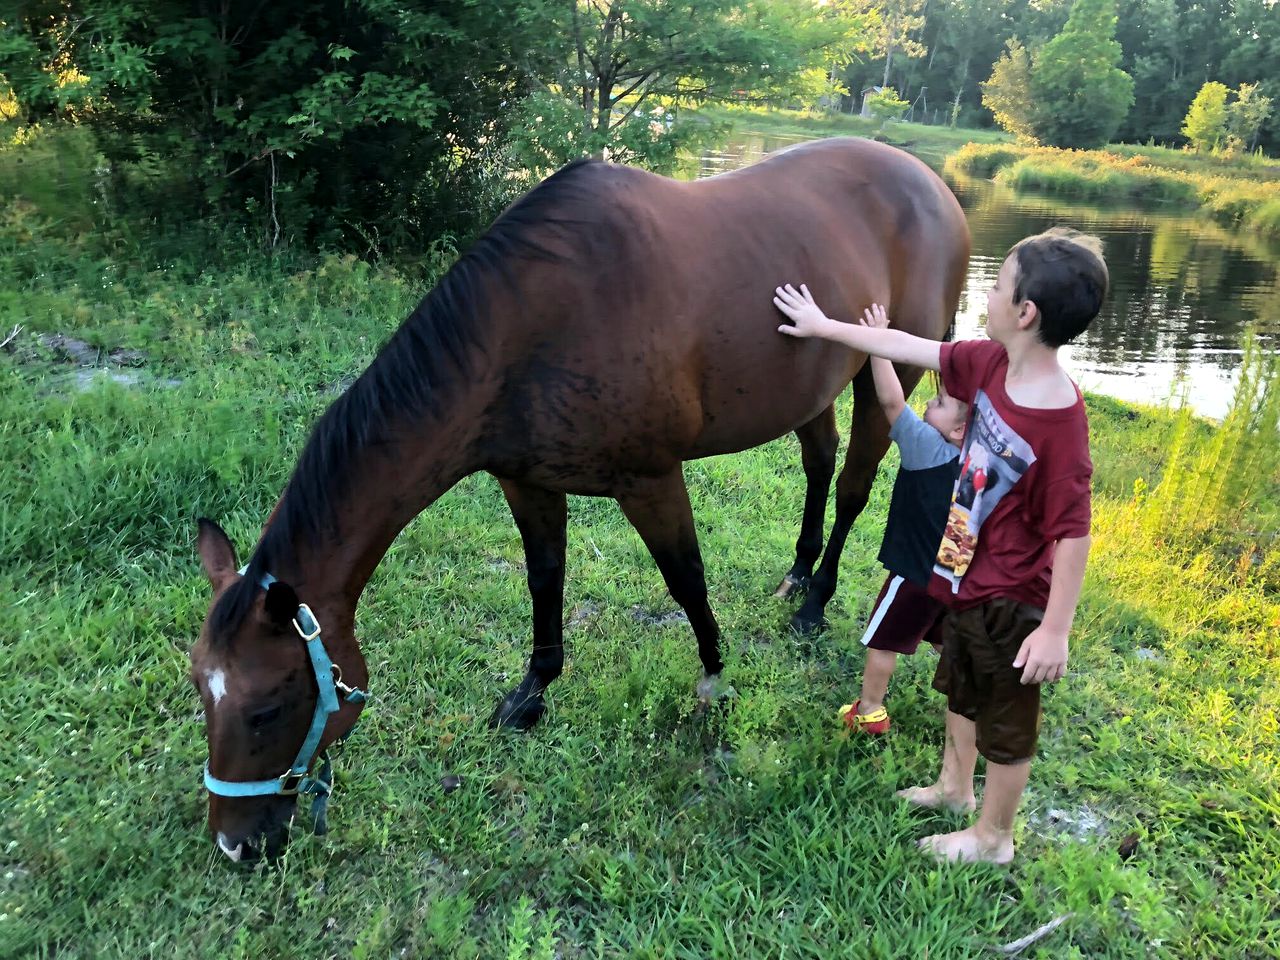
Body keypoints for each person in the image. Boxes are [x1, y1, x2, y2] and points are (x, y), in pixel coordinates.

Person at [774, 227, 1106, 864]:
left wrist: (1056, 629)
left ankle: (993, 837)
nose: (988, 292)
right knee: (959, 687)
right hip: (959, 569)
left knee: (1004, 714)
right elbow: (903, 345)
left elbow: (1073, 530)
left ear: (1025, 312)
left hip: (1014, 594)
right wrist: (824, 326)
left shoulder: (1060, 421)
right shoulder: (986, 361)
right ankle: (954, 791)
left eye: (999, 284)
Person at [837, 303, 967, 737]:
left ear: (958, 431)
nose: (931, 400)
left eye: (942, 402)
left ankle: (870, 710)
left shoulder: (927, 447)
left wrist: (878, 344)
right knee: (944, 636)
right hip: (955, 573)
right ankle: (972, 699)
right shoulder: (980, 459)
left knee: (883, 637)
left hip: (914, 572)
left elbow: (891, 400)